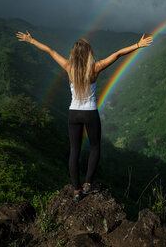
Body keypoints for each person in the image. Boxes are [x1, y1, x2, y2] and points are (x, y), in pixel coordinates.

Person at [16, 30, 153, 201]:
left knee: (74, 150)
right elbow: (117, 54)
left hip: (73, 113)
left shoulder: (68, 67)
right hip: (90, 113)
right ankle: (88, 184)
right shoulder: (95, 67)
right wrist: (137, 45)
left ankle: (76, 190)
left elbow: (50, 51)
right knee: (95, 147)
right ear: (89, 53)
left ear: (73, 53)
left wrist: (31, 40)